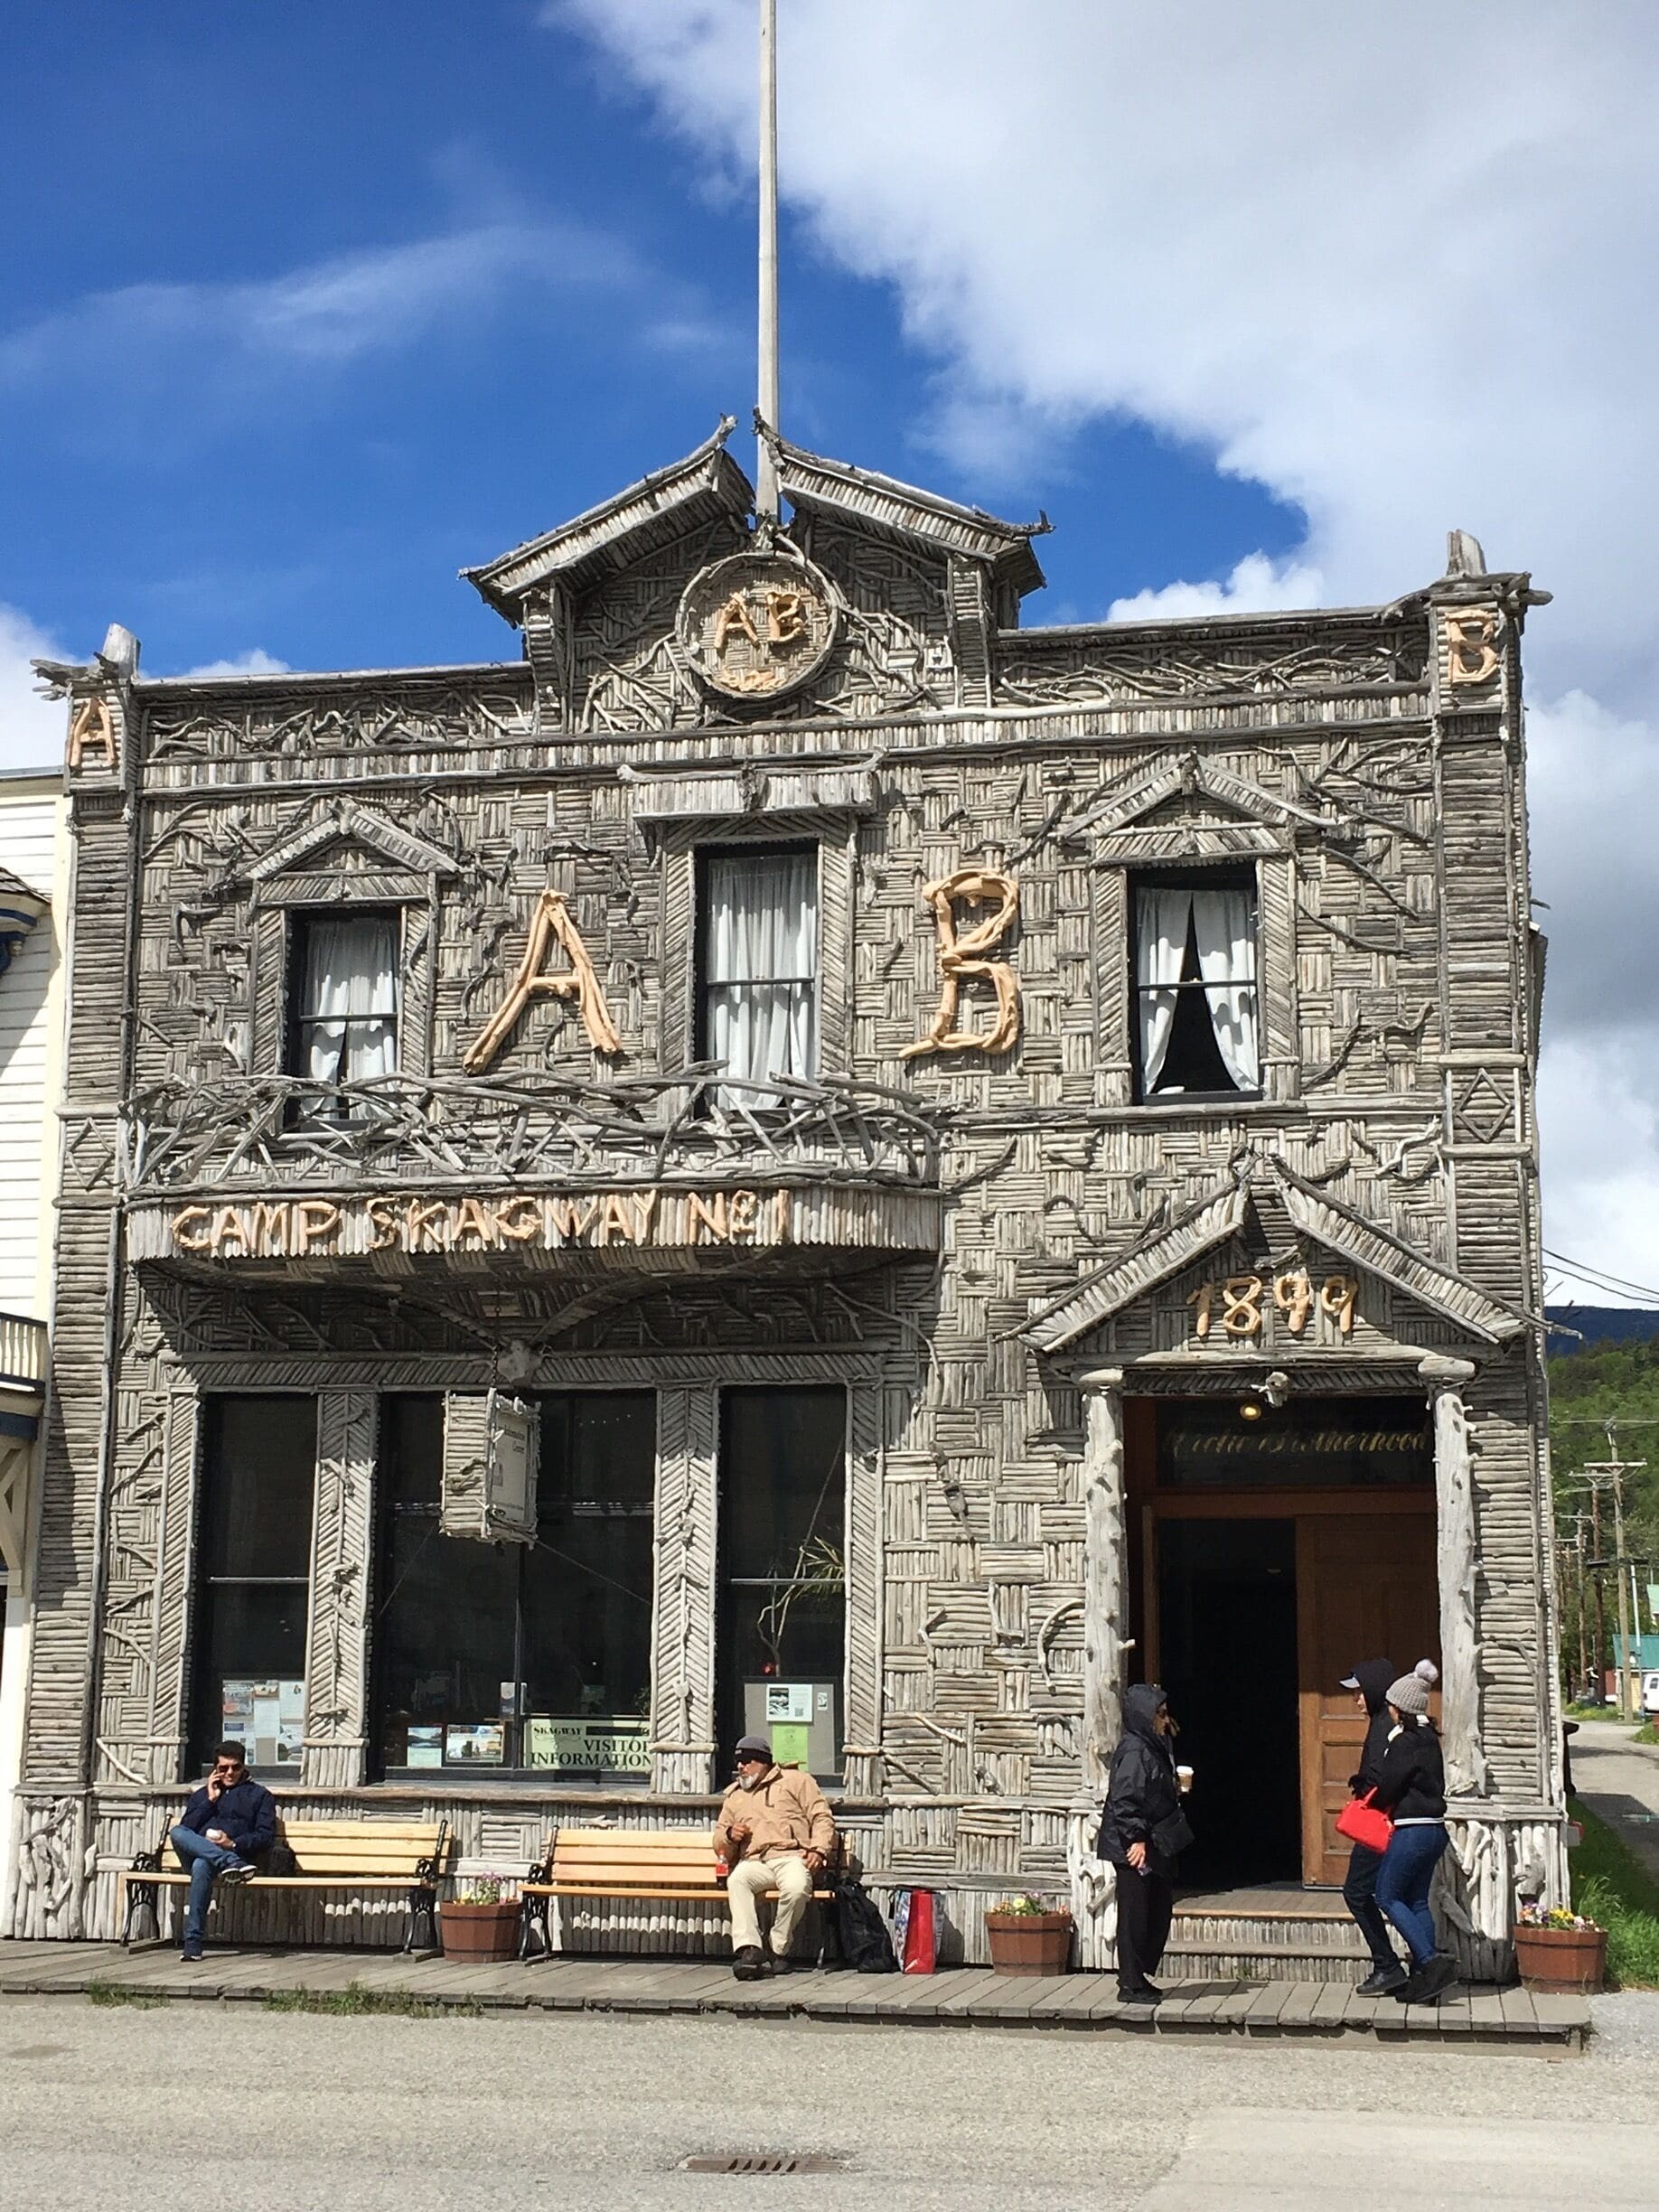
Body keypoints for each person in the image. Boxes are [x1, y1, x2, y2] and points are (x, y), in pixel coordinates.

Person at [713, 1733, 837, 1980]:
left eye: (747, 1761)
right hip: (755, 1861)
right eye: (738, 1762)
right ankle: (750, 1949)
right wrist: (729, 1835)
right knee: (737, 1881)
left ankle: (777, 1948)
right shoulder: (735, 1796)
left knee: (797, 1885)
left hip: (792, 1856)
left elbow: (821, 1817)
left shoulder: (796, 1781)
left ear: (764, 1761)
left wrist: (819, 1849)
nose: (741, 1767)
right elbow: (718, 1841)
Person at [1096, 1682, 1188, 2006]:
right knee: (1136, 1912)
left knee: (1156, 1908)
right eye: (1159, 1714)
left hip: (1151, 1839)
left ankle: (1137, 1976)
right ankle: (1131, 1983)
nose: (1165, 1720)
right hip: (1134, 1844)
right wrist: (1135, 1838)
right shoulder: (1136, 1750)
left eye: (1165, 1714)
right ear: (1143, 1716)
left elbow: (1148, 1789)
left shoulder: (1152, 1746)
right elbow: (1125, 1800)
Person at [1371, 1667, 1456, 2004]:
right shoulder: (1429, 1739)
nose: (1389, 1710)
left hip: (1413, 1829)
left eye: (1391, 1705)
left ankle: (1431, 1962)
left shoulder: (1404, 1743)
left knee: (1386, 1896)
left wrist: (1374, 1799)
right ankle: (1426, 1982)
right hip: (1435, 1829)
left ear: (1399, 1708)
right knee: (1418, 1901)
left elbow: (1390, 1786)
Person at [1338, 1656, 1408, 1995]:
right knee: (1391, 1894)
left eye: (1361, 1692)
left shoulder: (1383, 1727)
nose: (1356, 1699)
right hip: (1385, 1823)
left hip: (1378, 1824)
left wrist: (1363, 1792)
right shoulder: (1382, 1722)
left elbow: (1383, 1778)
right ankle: (1419, 1961)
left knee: (1357, 1892)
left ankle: (1388, 1965)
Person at [170, 1739, 276, 1962]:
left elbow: (265, 1837)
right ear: (215, 1770)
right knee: (177, 1832)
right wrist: (210, 1800)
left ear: (243, 1767)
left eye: (235, 1768)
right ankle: (228, 1861)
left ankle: (193, 1945)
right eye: (224, 1768)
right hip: (223, 1861)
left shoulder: (259, 1795)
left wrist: (233, 1844)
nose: (230, 1773)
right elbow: (186, 1830)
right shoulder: (202, 1795)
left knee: (202, 1865)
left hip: (235, 1856)